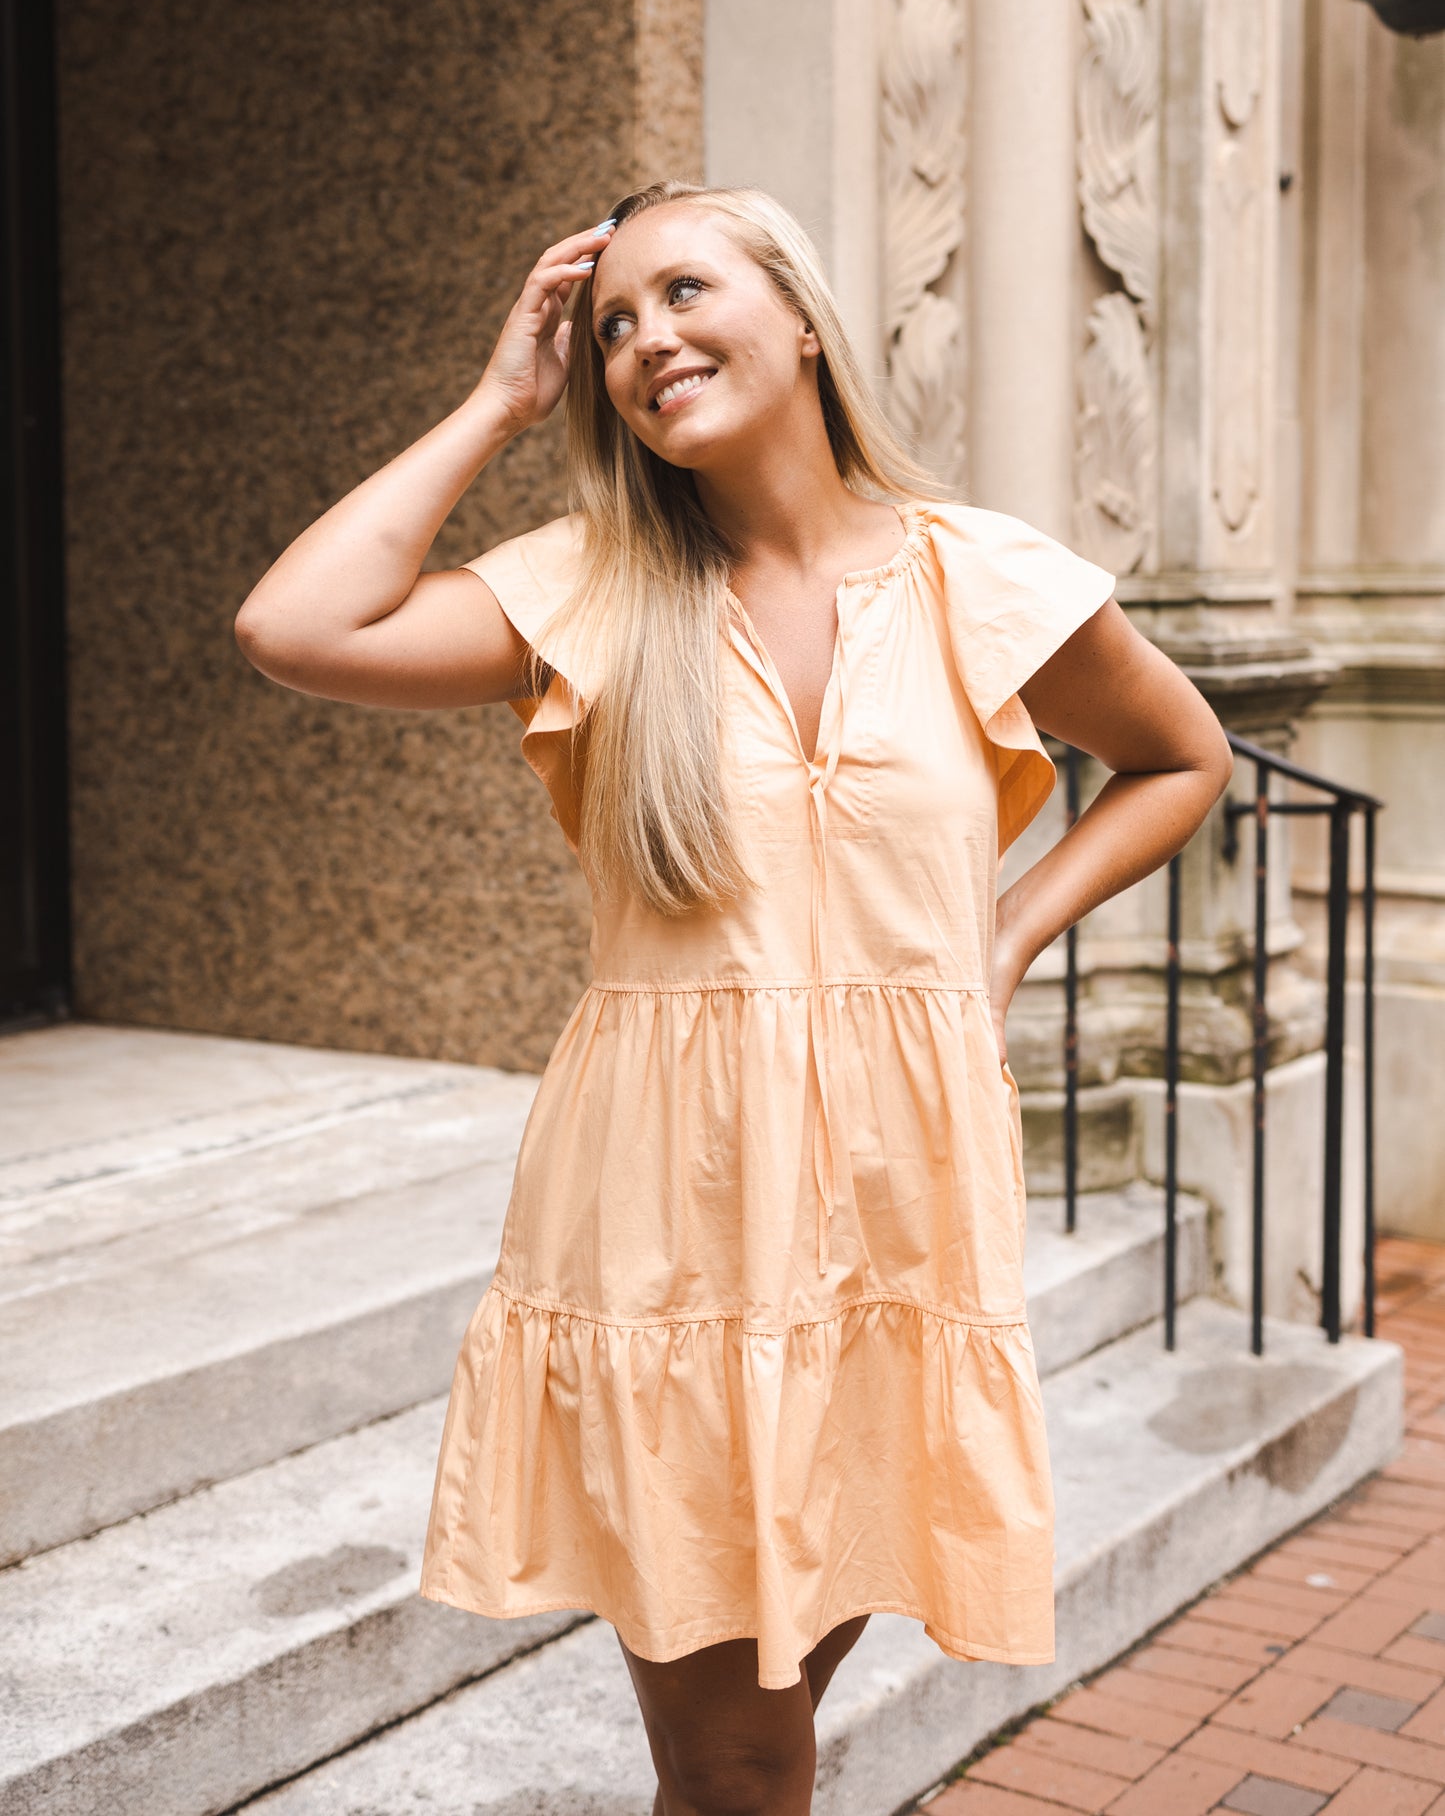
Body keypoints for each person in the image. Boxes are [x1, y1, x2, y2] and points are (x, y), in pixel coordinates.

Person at [235, 180, 1232, 1815]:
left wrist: (1005, 936)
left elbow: (1177, 758)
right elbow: (293, 624)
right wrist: (502, 396)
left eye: (684, 292)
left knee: (745, 1753)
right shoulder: (593, 590)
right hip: (674, 1224)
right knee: (744, 1754)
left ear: (799, 314)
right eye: (612, 325)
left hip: (897, 1220)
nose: (645, 342)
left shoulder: (979, 575)